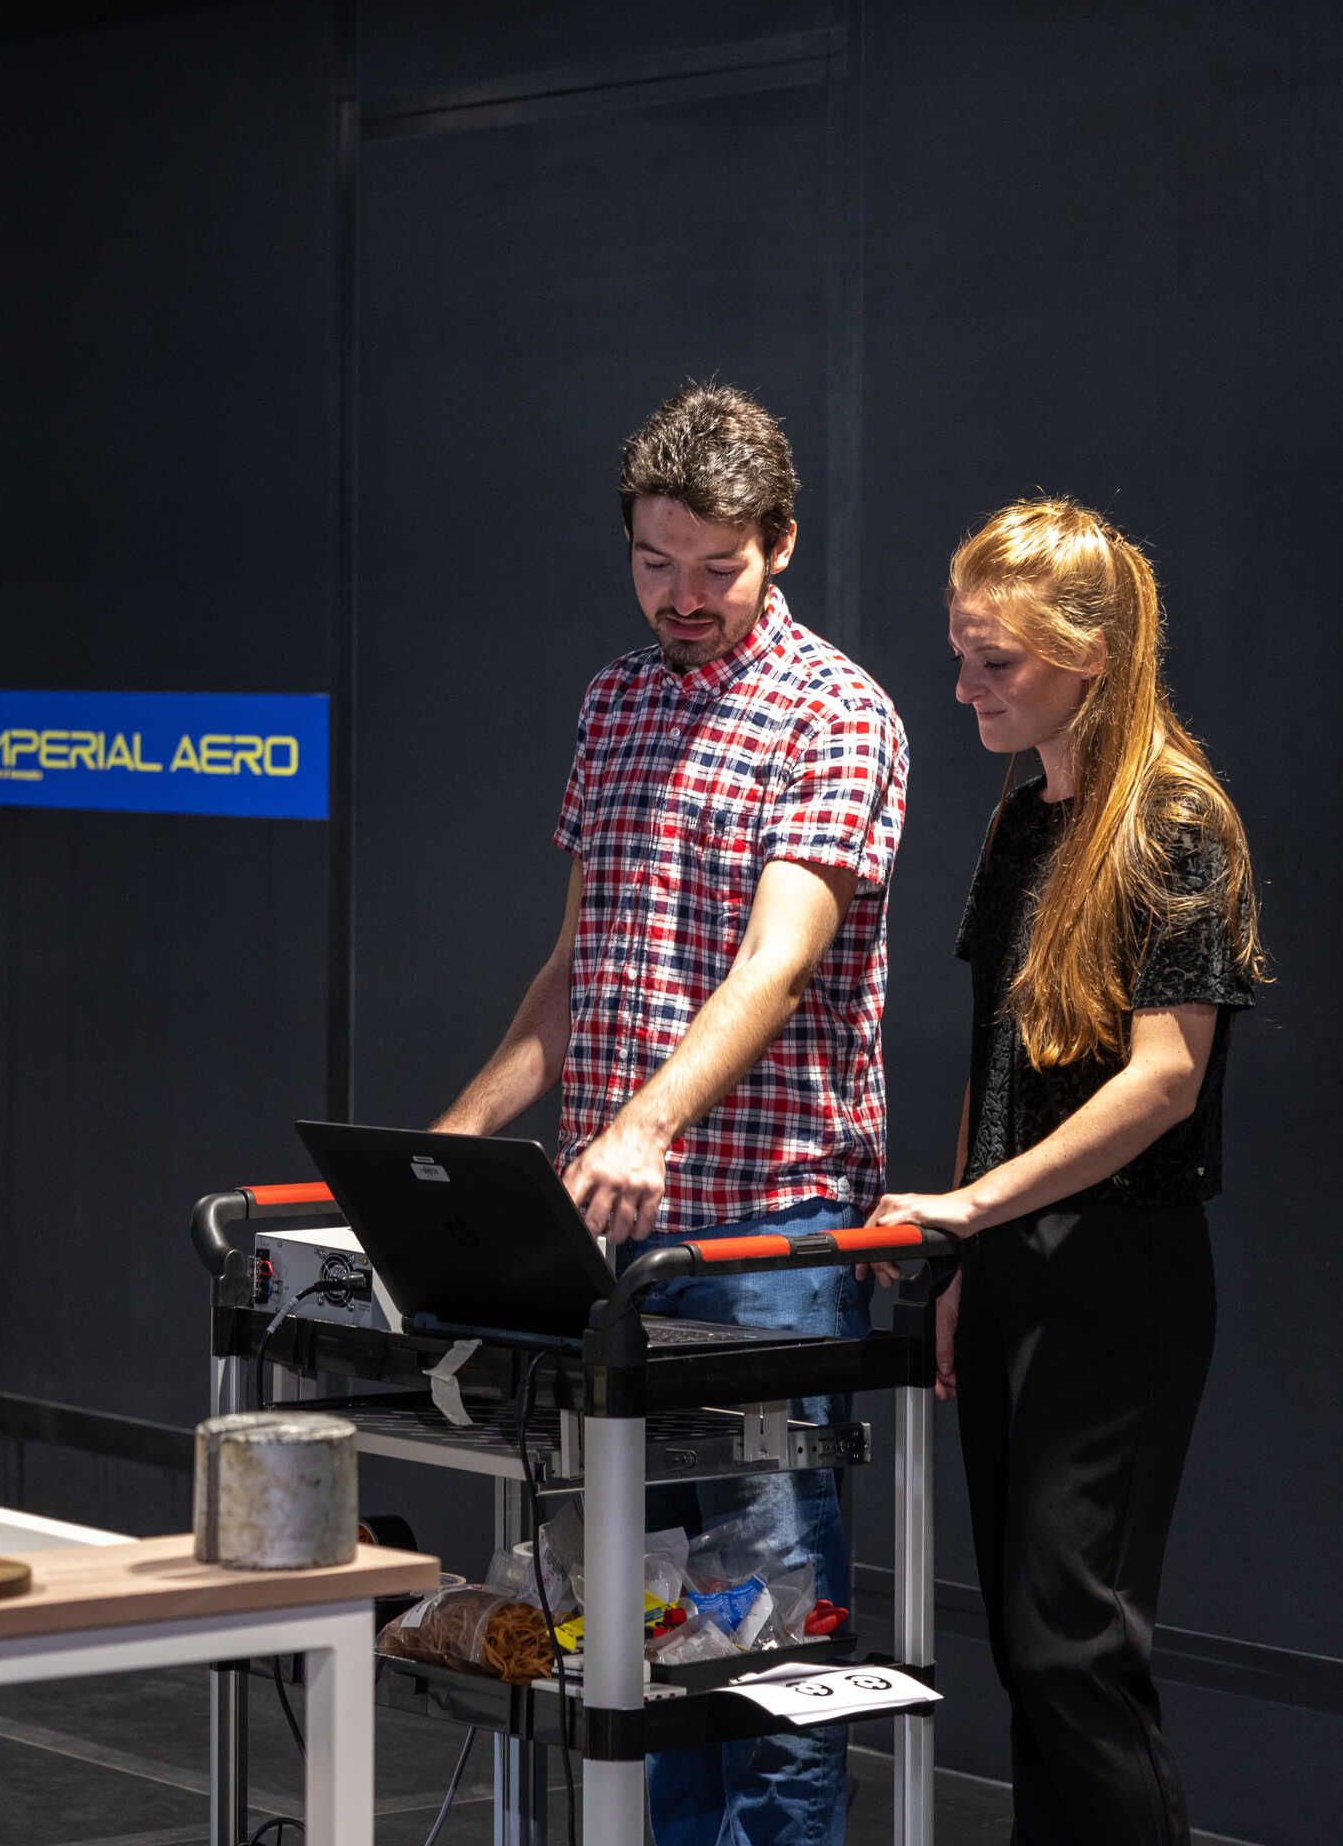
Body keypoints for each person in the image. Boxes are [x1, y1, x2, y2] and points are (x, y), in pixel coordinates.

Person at [434, 381, 907, 1846]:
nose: (681, 598)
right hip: (616, 1252)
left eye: (715, 567)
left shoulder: (836, 713)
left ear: (779, 544)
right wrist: (448, 1155)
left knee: (766, 1641)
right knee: (644, 1629)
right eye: (655, 563)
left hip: (766, 1236)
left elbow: (776, 965)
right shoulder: (617, 700)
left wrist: (642, 1127)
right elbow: (579, 969)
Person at [867, 499, 1265, 1845]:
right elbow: (999, 1053)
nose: (966, 685)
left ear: (1089, 655)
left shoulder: (1174, 821)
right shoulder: (1024, 818)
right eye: (962, 653)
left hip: (1122, 1278)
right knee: (1032, 1666)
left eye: (999, 662)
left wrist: (976, 1206)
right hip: (1017, 1268)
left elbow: (1165, 1079)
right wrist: (970, 1252)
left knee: (1071, 1657)